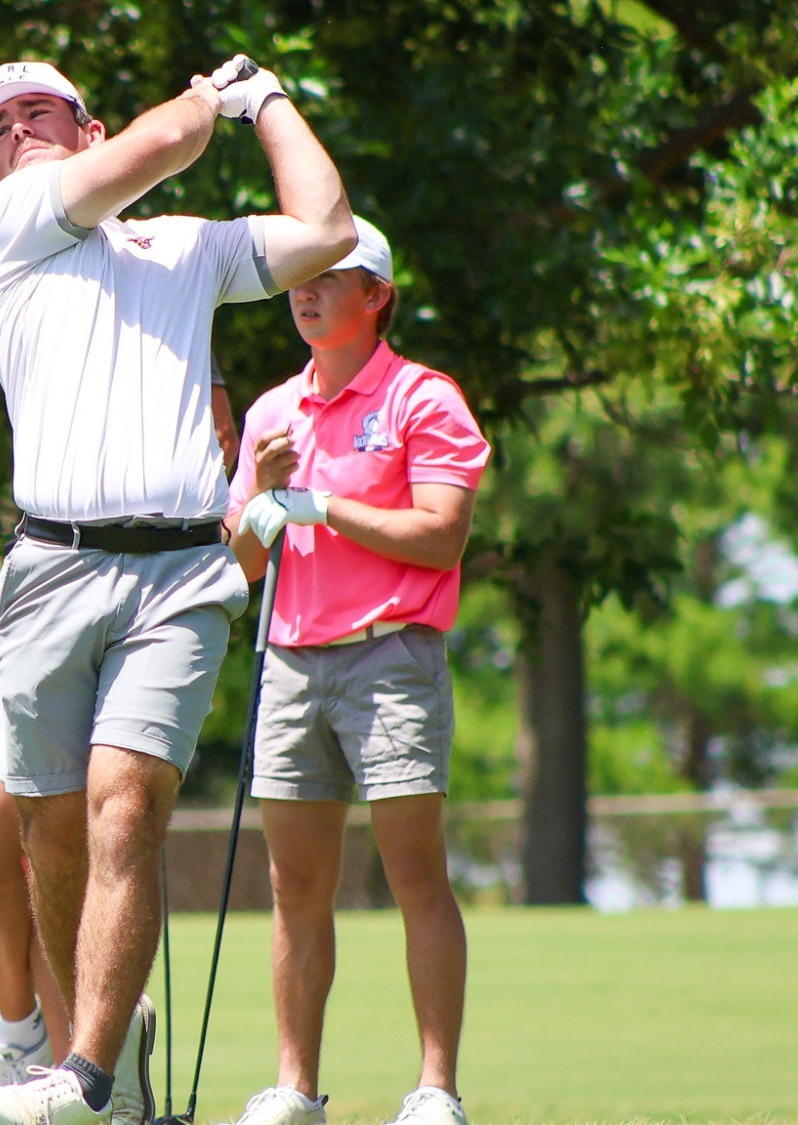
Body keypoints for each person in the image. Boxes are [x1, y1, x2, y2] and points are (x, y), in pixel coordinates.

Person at [0, 56, 356, 1125]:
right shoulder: (10, 224)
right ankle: (107, 1054)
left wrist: (264, 98)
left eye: (39, 113)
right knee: (50, 833)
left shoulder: (181, 244)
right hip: (50, 568)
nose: (18, 134)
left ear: (85, 130)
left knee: (123, 808)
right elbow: (162, 143)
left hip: (179, 573)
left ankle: (80, 1080)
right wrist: (204, 100)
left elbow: (323, 230)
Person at [222, 217, 490, 1125]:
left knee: (415, 869)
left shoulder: (424, 398)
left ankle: (434, 1089)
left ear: (376, 296)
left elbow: (441, 533)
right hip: (290, 660)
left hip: (390, 655)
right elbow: (240, 567)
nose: (307, 290)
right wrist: (261, 496)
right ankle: (296, 1088)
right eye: (300, 277)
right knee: (294, 885)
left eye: (331, 277)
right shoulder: (270, 413)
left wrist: (324, 504)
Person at [0, 376, 238, 1100]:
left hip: (148, 611)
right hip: (38, 599)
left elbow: (230, 545)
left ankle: (82, 1072)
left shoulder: (203, 476)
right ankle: (26, 1038)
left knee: (82, 836)